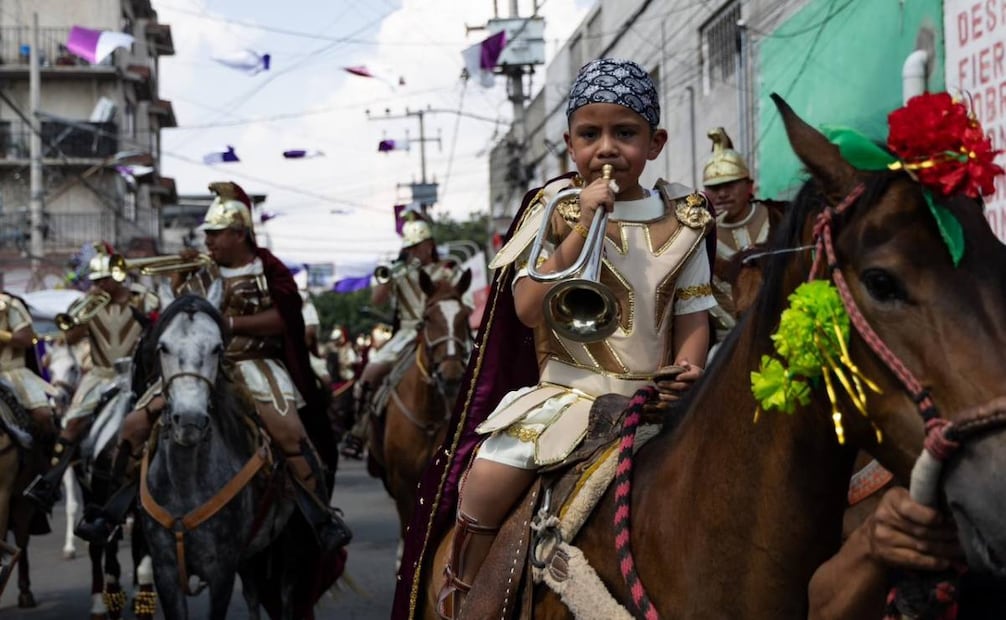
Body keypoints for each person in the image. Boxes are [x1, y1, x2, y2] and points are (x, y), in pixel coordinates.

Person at [434, 57, 717, 619]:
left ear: (655, 143)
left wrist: (689, 370)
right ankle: (458, 593)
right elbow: (527, 307)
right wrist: (581, 227)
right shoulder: (555, 209)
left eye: (626, 133)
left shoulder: (686, 218)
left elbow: (692, 318)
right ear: (570, 145)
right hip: (567, 396)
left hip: (653, 399)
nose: (607, 148)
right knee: (487, 477)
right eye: (591, 134)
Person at [75, 181, 349, 552]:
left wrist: (230, 324)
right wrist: (177, 280)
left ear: (239, 234)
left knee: (288, 431)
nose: (208, 242)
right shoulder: (201, 272)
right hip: (199, 365)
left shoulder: (267, 270)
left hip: (256, 363)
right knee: (134, 424)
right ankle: (113, 510)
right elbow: (179, 317)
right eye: (207, 235)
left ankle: (321, 517)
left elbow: (285, 320)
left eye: (215, 235)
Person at [24, 245, 157, 512]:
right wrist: (83, 316)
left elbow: (155, 328)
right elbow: (70, 339)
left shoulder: (144, 299)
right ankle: (51, 482)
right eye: (95, 281)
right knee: (72, 424)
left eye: (102, 280)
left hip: (135, 374)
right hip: (100, 374)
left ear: (117, 277)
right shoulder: (86, 304)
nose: (97, 286)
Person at [339, 215, 459, 459]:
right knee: (370, 373)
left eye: (419, 246)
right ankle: (359, 431)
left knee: (464, 370)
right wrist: (391, 275)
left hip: (439, 333)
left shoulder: (446, 272)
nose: (415, 251)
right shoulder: (400, 272)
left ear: (430, 245)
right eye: (410, 247)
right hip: (405, 335)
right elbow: (377, 299)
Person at [701, 127, 773, 345]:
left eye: (730, 184)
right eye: (715, 187)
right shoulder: (700, 233)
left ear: (749, 185)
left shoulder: (779, 218)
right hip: (723, 348)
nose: (722, 193)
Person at [0, 291, 57, 444]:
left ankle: (47, 461)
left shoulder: (10, 304)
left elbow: (26, 338)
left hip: (13, 373)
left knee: (42, 416)